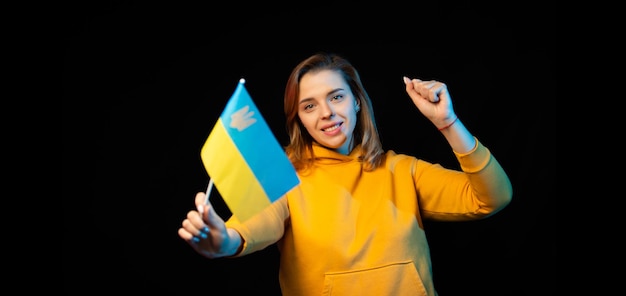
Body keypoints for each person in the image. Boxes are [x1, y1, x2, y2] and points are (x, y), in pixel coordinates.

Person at [178, 52, 513, 295]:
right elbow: (248, 228)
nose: (326, 113)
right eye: (309, 106)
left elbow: (493, 198)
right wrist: (221, 240)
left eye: (336, 97)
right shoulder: (285, 178)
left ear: (356, 101)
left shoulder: (402, 170)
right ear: (299, 120)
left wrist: (448, 123)